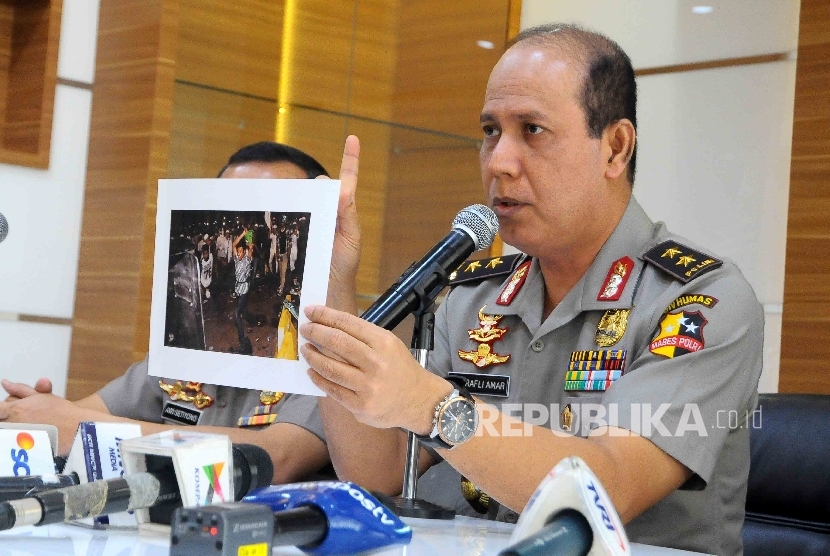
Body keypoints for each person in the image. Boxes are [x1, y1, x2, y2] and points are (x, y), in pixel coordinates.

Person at [299, 25, 763, 556]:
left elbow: (603, 489)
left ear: (615, 148)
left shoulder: (699, 301)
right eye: (491, 130)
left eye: (533, 130)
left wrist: (431, 405)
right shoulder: (471, 296)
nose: (498, 161)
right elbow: (378, 472)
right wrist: (333, 278)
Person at [0, 140, 358, 486]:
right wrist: (39, 413)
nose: (245, 223)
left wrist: (81, 427)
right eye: (232, 208)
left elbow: (275, 458)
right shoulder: (187, 350)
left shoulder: (333, 360)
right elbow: (84, 412)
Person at [232, 228, 255, 352]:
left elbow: (250, 247)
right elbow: (234, 244)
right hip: (238, 287)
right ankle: (251, 320)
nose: (239, 253)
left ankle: (242, 339)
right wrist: (242, 234)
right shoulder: (236, 259)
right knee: (243, 309)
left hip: (245, 287)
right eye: (238, 252)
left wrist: (249, 237)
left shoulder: (247, 259)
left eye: (241, 252)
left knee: (236, 313)